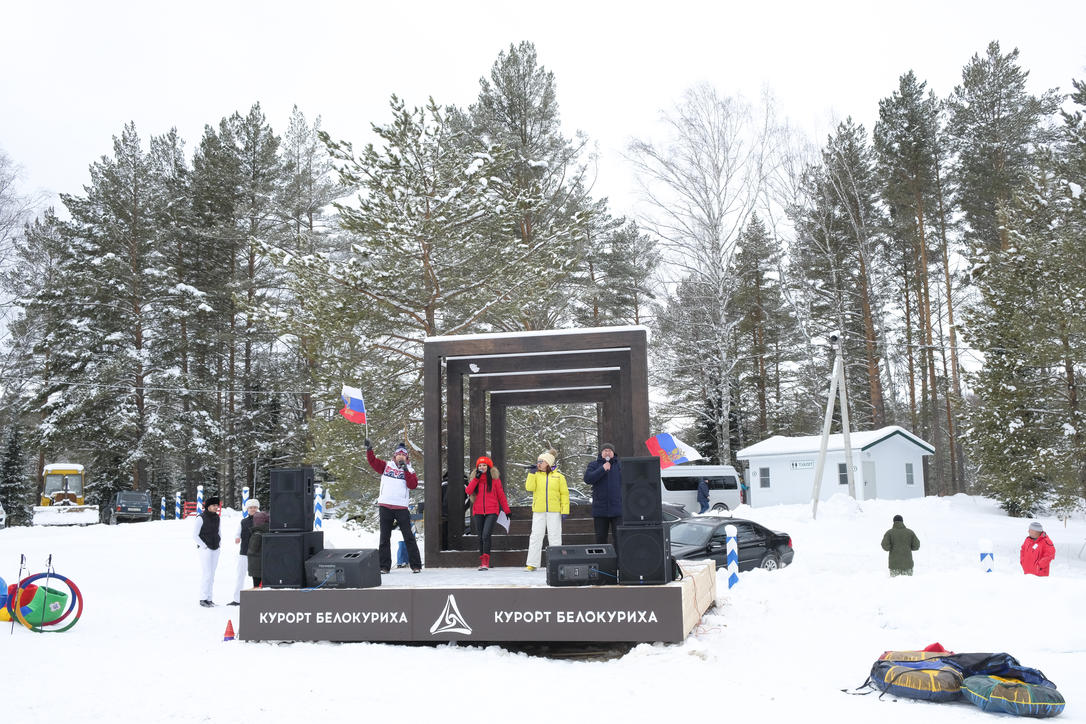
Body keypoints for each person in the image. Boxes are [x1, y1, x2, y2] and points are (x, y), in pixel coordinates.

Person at [365, 438, 423, 574]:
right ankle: (384, 566)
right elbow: (373, 462)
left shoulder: (410, 470)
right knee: (384, 537)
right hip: (385, 506)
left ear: (406, 457)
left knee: (408, 536)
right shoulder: (387, 466)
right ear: (395, 456)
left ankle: (416, 565)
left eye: (403, 455)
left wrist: (405, 470)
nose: (400, 456)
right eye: (398, 454)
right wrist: (369, 450)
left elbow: (412, 485)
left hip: (401, 508)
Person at [524, 449, 569, 571]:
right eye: (538, 461)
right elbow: (529, 487)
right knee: (536, 536)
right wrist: (531, 474)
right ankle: (532, 563)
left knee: (555, 536)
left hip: (554, 511)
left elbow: (564, 494)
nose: (538, 463)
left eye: (541, 461)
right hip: (539, 510)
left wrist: (565, 510)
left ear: (548, 463)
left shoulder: (559, 477)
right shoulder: (535, 475)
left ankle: (556, 562)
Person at [465, 456, 510, 571]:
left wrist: (507, 510)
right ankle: (482, 561)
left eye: (484, 465)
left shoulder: (495, 480)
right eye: (480, 465)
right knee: (480, 536)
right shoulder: (475, 479)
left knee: (486, 535)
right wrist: (476, 479)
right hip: (478, 511)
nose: (482, 467)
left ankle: (486, 561)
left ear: (488, 467)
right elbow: (468, 491)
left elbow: (501, 496)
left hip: (492, 511)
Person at [583, 442, 622, 545]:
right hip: (600, 510)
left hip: (617, 510)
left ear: (613, 453)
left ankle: (619, 561)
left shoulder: (620, 465)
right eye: (605, 450)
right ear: (601, 453)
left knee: (619, 539)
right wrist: (602, 469)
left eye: (610, 450)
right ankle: (603, 560)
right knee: (600, 539)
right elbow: (588, 479)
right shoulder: (593, 465)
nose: (607, 452)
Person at [192, 496, 222, 607]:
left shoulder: (217, 518)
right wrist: (204, 546)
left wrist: (219, 544)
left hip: (215, 548)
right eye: (214, 505)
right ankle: (203, 598)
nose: (216, 507)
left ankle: (209, 598)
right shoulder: (200, 518)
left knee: (212, 575)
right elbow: (195, 535)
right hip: (205, 549)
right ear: (208, 506)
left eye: (217, 505)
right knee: (207, 574)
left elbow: (219, 532)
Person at [229, 498, 260, 605]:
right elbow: (238, 533)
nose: (253, 509)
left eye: (255, 507)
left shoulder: (263, 520)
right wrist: (237, 538)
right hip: (244, 552)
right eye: (251, 508)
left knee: (257, 575)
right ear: (247, 509)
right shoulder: (243, 521)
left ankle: (259, 597)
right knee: (240, 575)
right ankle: (237, 599)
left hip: (257, 554)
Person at [247, 510, 270, 587]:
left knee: (256, 586)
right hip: (265, 565)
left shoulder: (257, 534)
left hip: (256, 565)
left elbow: (253, 549)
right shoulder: (268, 532)